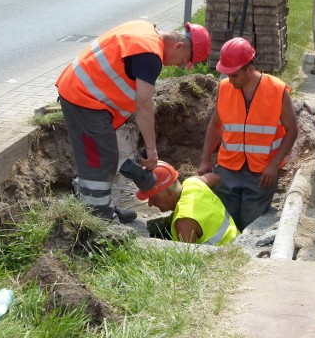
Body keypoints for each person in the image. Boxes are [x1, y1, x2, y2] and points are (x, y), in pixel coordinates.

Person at [56, 20, 211, 223]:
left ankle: (100, 205)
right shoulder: (150, 56)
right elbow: (144, 106)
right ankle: (100, 217)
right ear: (179, 46)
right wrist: (152, 150)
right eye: (184, 61)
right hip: (84, 97)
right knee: (101, 159)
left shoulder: (146, 31)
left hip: (87, 93)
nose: (181, 66)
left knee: (106, 157)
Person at [197, 38, 298, 231]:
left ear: (249, 70)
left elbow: (292, 130)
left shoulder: (277, 90)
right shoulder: (225, 88)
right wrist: (205, 159)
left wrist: (274, 165)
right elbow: (216, 124)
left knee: (249, 226)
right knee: (224, 221)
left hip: (262, 173)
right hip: (228, 168)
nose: (229, 80)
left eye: (234, 75)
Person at [136, 160, 240, 245]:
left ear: (169, 194)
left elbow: (190, 260)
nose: (150, 204)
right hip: (237, 239)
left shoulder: (184, 221)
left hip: (224, 257)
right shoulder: (194, 182)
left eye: (154, 199)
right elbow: (216, 178)